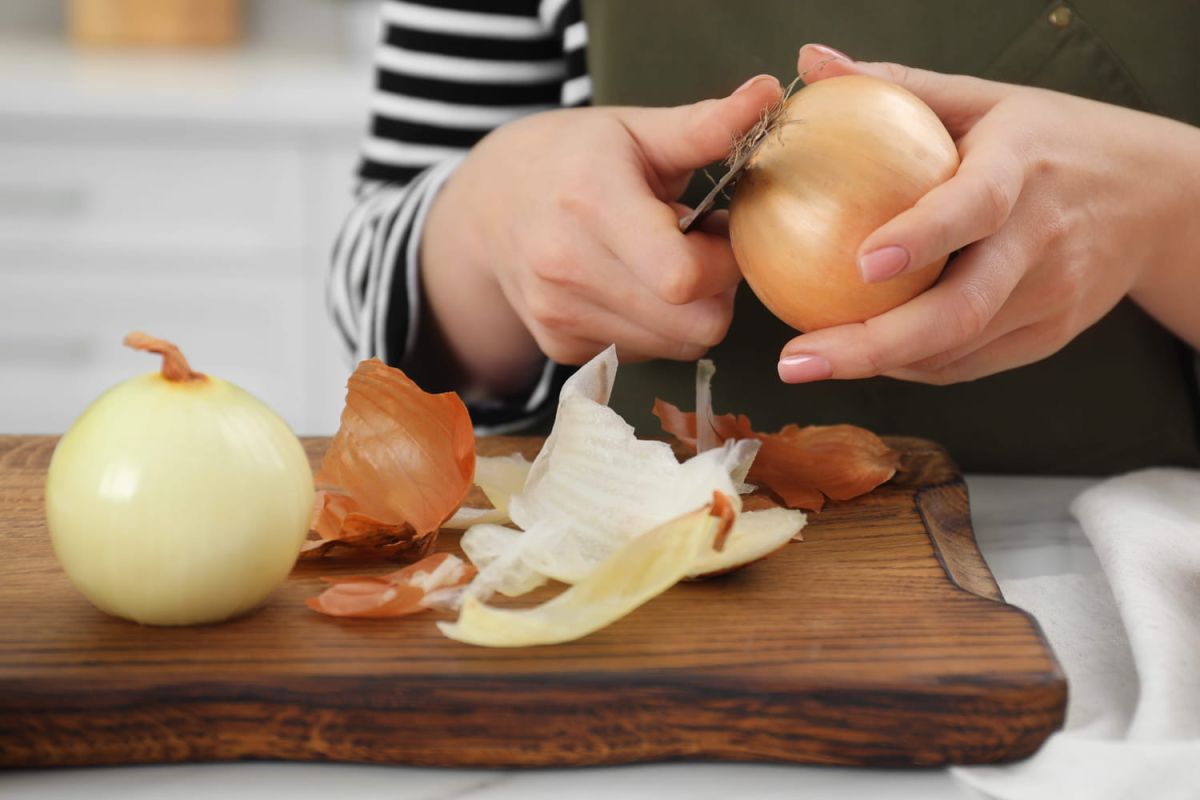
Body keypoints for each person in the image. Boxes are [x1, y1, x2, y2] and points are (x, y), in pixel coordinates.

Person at [329, 0, 1200, 473]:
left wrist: (1169, 212)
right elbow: (366, 272)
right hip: (649, 578)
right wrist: (489, 219)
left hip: (1135, 611)